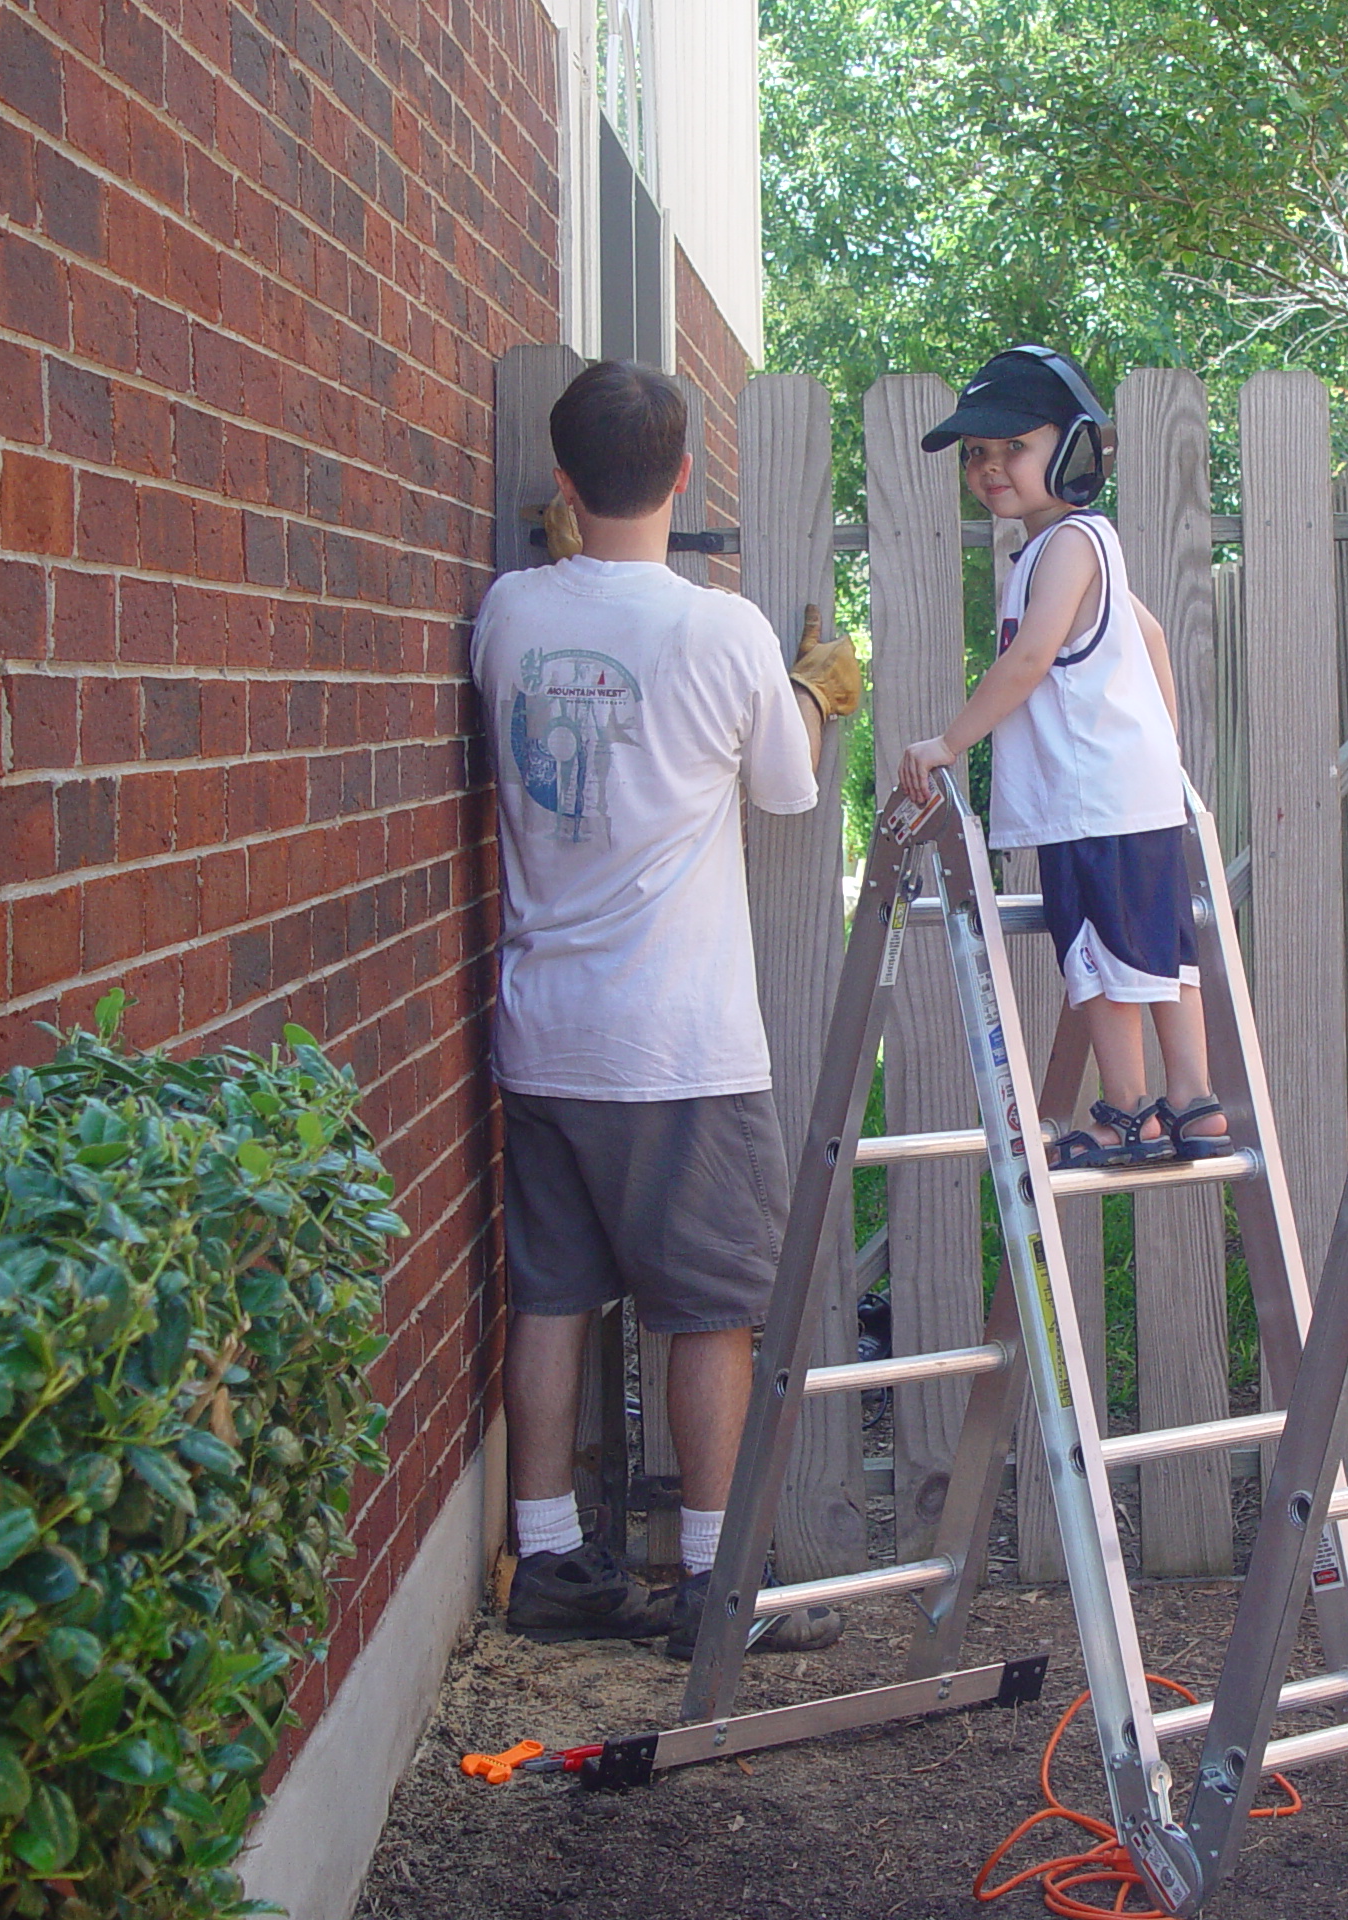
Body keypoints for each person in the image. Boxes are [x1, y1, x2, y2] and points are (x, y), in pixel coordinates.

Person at [471, 360, 863, 1656]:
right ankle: (710, 1582)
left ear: (566, 484)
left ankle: (551, 1565)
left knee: (554, 1297)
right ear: (685, 474)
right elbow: (790, 788)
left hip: (543, 1032)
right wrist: (814, 688)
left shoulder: (508, 616)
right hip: (678, 1045)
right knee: (708, 1311)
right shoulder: (722, 631)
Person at [895, 346, 1232, 1167]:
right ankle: (1192, 1099)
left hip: (1089, 800)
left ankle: (1127, 1109)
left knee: (1101, 953)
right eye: (977, 454)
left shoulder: (1067, 547)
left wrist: (948, 742)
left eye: (1015, 446)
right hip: (1127, 791)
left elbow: (1029, 659)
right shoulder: (1087, 544)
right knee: (1160, 946)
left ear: (1076, 449)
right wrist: (1163, 748)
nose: (990, 467)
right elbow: (1149, 637)